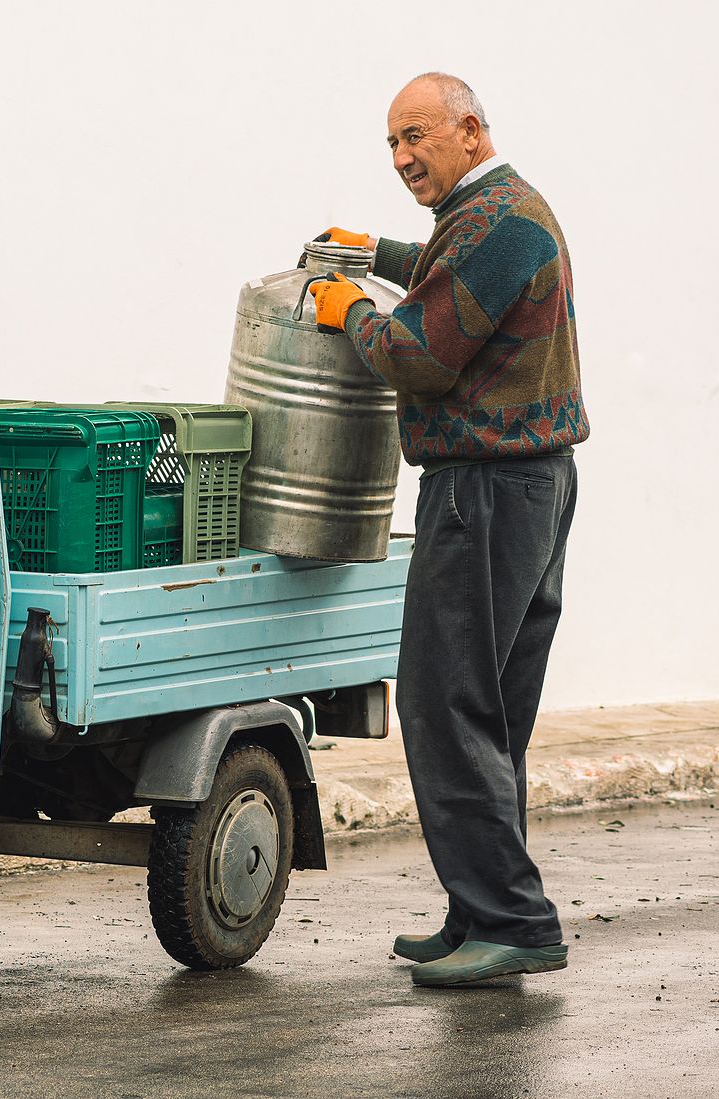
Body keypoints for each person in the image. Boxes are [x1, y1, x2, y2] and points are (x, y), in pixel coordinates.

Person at [306, 72, 589, 988]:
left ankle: (515, 919)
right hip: (527, 485)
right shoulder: (495, 212)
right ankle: (479, 910)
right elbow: (452, 267)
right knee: (492, 709)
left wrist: (349, 305)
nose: (401, 159)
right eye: (391, 144)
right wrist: (375, 251)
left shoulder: (499, 223)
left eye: (416, 137)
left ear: (471, 129)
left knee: (444, 704)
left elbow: (420, 355)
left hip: (486, 490)